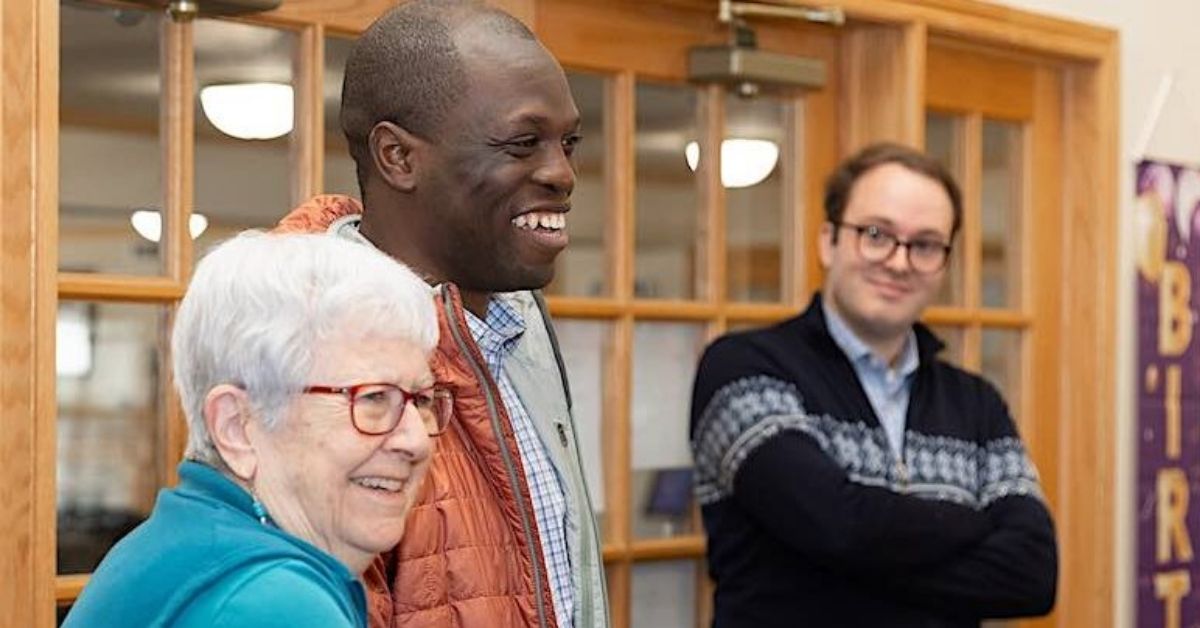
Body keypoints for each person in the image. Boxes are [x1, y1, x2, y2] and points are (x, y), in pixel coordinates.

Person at [274, 2, 607, 627]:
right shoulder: (309, 365)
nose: (562, 173)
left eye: (568, 143)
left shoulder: (521, 322)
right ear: (399, 158)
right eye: (522, 143)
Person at [689, 143, 1058, 628]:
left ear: (944, 263)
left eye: (925, 244)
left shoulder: (976, 404)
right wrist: (972, 522)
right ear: (828, 241)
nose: (899, 262)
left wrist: (835, 562)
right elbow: (834, 524)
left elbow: (1032, 576)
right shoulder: (745, 369)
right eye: (876, 234)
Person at [62, 232, 445, 627]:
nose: (415, 440)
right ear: (237, 426)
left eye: (421, 400)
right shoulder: (274, 603)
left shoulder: (178, 543)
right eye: (372, 398)